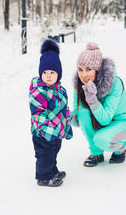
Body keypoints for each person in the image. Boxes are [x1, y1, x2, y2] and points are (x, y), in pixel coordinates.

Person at [72, 43, 126, 167]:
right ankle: (96, 153)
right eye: (80, 69)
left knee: (101, 140)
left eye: (88, 69)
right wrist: (64, 115)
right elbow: (78, 120)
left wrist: (92, 99)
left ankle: (122, 147)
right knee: (84, 112)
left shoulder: (114, 83)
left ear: (97, 69)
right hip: (103, 123)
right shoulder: (80, 85)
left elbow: (105, 119)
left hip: (124, 122)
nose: (83, 75)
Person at [29, 39, 73, 187]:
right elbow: (38, 114)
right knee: (44, 155)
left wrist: (66, 127)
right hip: (42, 133)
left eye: (52, 72)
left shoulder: (60, 90)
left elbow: (64, 110)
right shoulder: (38, 92)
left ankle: (52, 171)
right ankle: (43, 177)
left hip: (56, 131)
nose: (48, 75)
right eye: (45, 72)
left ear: (58, 74)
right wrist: (47, 130)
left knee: (54, 152)